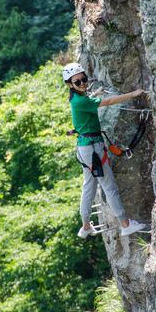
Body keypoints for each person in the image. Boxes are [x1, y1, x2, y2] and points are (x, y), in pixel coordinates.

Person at [63, 62, 146, 238]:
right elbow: (107, 102)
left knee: (89, 187)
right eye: (77, 82)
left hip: (85, 148)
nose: (83, 83)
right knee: (109, 186)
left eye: (83, 79)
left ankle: (86, 226)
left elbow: (88, 101)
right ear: (70, 85)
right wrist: (133, 94)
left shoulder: (78, 98)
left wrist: (95, 93)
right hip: (93, 149)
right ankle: (125, 224)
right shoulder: (80, 101)